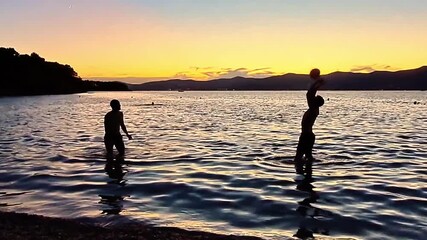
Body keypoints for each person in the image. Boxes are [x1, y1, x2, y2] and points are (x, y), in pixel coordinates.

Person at [294, 69, 325, 174]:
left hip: (306, 135)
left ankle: (304, 178)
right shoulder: (315, 109)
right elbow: (311, 94)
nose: (313, 98)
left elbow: (309, 94)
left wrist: (317, 82)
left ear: (315, 102)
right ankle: (309, 177)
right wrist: (317, 84)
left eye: (315, 98)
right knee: (308, 158)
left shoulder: (313, 108)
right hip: (309, 135)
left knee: (298, 158)